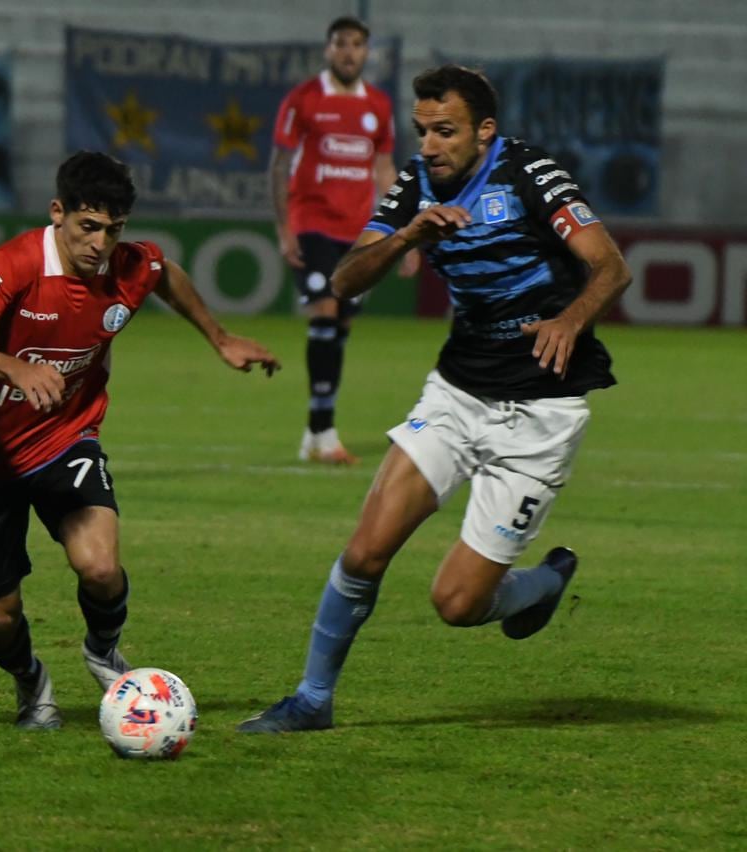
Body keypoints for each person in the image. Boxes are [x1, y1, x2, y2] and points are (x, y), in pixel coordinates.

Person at [238, 64, 632, 733]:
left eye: (444, 131)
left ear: (484, 131)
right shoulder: (413, 188)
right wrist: (407, 237)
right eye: (421, 131)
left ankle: (542, 582)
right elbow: (347, 277)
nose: (428, 145)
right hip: (457, 393)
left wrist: (570, 320)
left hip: (541, 413)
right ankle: (311, 700)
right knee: (365, 551)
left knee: (456, 603)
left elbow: (610, 265)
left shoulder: (530, 174)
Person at [0, 151, 280, 730]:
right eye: (87, 227)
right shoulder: (15, 263)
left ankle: (101, 649)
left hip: (65, 438)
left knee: (99, 567)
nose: (99, 244)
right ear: (58, 213)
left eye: (112, 230)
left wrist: (218, 338)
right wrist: (14, 368)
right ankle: (30, 678)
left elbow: (164, 272)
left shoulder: (127, 267)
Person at [271, 16, 406, 466]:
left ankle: (315, 431)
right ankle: (325, 435)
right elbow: (278, 163)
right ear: (328, 50)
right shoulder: (304, 99)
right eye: (341, 44)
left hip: (358, 232)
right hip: (312, 223)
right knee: (325, 314)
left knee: (341, 327)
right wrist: (283, 226)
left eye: (357, 45)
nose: (349, 52)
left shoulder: (379, 105)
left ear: (368, 52)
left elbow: (383, 169)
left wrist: (405, 233)